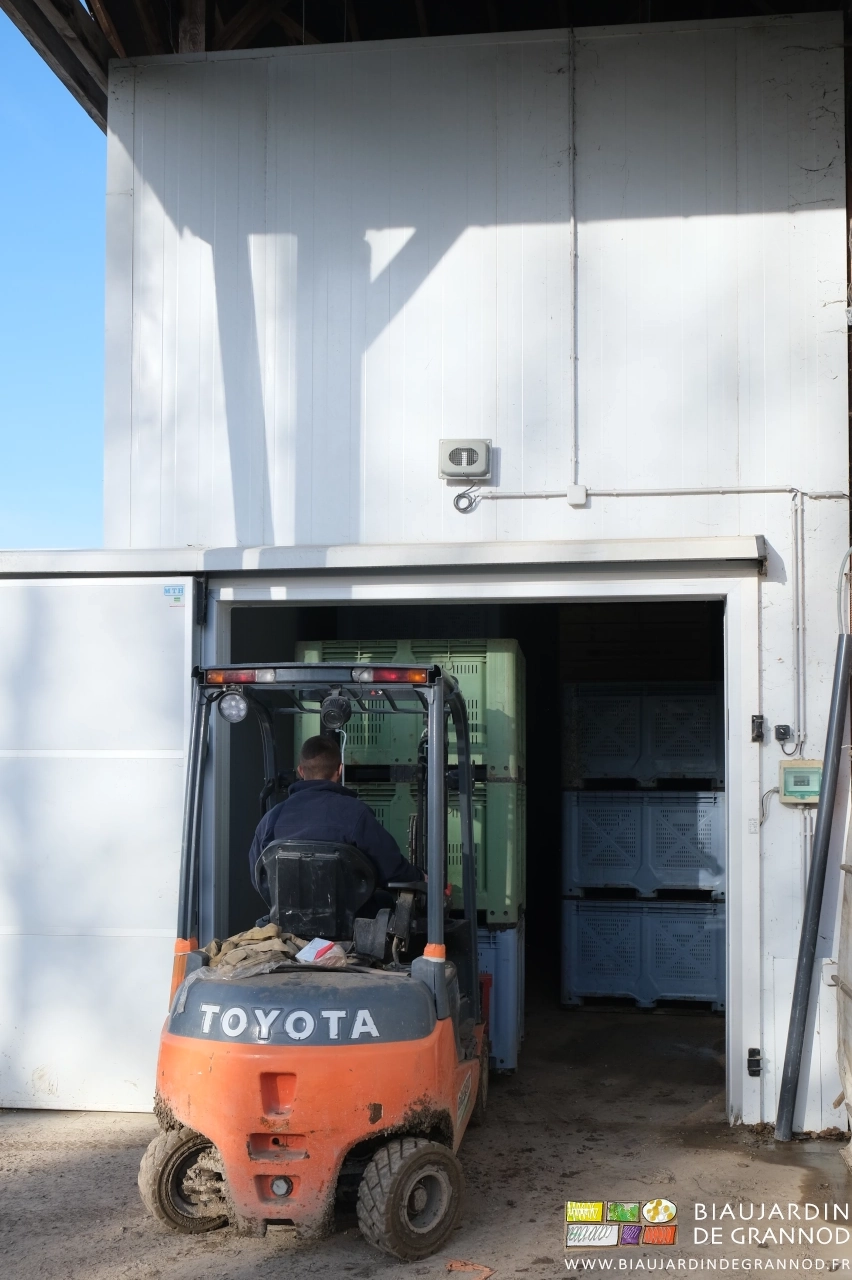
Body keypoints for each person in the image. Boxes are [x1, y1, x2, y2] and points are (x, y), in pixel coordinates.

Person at [248, 734, 425, 896]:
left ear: (301, 771)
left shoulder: (271, 819)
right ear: (340, 770)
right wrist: (420, 877)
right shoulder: (356, 814)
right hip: (351, 917)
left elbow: (258, 878)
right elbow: (392, 869)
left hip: (285, 917)